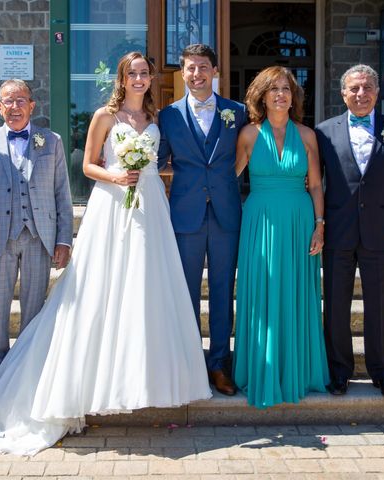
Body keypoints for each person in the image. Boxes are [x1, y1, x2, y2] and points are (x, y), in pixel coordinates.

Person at [0, 52, 211, 455]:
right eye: (133, 73)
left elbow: (164, 164)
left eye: (145, 73)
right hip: (111, 208)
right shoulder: (104, 118)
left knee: (146, 291)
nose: (140, 79)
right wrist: (115, 175)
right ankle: (82, 385)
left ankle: (142, 379)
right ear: (122, 79)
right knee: (98, 293)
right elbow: (88, 166)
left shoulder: (156, 120)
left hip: (150, 211)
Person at [232, 66, 330, 408]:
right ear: (262, 95)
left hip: (298, 222)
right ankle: (261, 368)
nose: (280, 95)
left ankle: (296, 371)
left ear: (294, 96)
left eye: (286, 89)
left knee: (295, 294)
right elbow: (229, 178)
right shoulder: (247, 134)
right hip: (259, 223)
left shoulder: (307, 135)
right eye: (273, 89)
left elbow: (316, 184)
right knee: (262, 294)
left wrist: (319, 224)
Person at [0, 79, 73, 395]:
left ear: (31, 105)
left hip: (40, 236)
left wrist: (64, 240)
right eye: (8, 102)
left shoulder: (51, 141)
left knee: (34, 306)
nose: (14, 107)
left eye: (20, 101)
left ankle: (28, 368)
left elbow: (62, 194)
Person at [315, 64, 384, 398]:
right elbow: (315, 184)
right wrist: (318, 224)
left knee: (380, 306)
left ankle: (382, 372)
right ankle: (339, 372)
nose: (361, 94)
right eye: (354, 89)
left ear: (376, 92)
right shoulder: (324, 132)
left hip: (380, 232)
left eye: (367, 87)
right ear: (343, 94)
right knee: (336, 307)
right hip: (338, 232)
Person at [158, 44, 247, 396]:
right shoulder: (168, 116)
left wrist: (228, 180)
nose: (197, 74)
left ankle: (220, 364)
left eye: (204, 67)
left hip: (226, 213)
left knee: (224, 290)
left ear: (215, 71)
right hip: (185, 214)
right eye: (191, 68)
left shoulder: (236, 111)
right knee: (187, 292)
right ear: (182, 73)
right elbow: (159, 160)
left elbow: (246, 152)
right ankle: (191, 362)